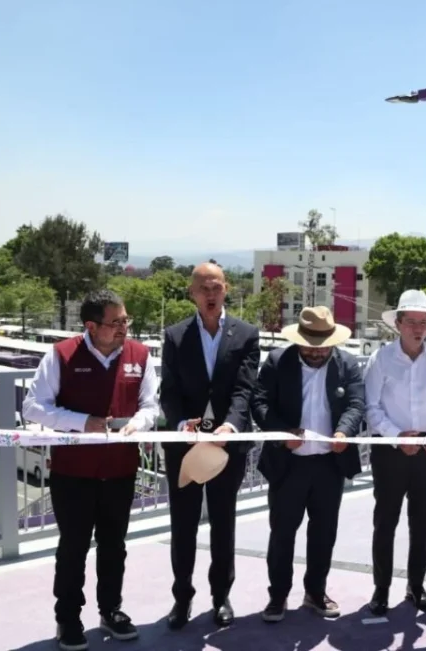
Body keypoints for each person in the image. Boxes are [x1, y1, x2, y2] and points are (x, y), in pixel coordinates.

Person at [22, 290, 159, 651]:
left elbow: (151, 405)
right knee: (73, 547)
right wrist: (82, 422)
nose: (123, 328)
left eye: (126, 321)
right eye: (116, 323)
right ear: (91, 326)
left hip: (120, 469)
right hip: (73, 472)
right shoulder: (61, 355)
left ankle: (111, 610)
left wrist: (140, 423)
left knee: (114, 545)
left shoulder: (140, 356)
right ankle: (67, 618)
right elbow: (34, 407)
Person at [160, 262, 262, 629]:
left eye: (216, 286)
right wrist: (179, 423)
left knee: (223, 522)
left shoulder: (248, 334)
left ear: (227, 289)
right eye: (203, 288)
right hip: (186, 444)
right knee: (182, 525)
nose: (210, 294)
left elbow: (245, 389)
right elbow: (168, 392)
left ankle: (221, 597)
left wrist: (231, 426)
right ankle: (181, 599)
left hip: (226, 443)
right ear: (192, 293)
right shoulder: (174, 336)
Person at [251, 306, 365, 623]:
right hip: (288, 464)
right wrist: (281, 433)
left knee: (324, 533)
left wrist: (345, 430)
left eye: (323, 346)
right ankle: (278, 596)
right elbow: (259, 403)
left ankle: (315, 592)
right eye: (310, 346)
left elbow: (356, 403)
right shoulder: (277, 362)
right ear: (299, 341)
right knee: (283, 532)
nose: (317, 352)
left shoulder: (348, 364)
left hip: (330, 464)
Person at [363, 290, 426, 615]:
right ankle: (381, 589)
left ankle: (416, 586)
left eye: (423, 322)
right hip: (390, 450)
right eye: (412, 322)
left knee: (422, 521)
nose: (418, 328)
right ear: (398, 324)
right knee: (385, 521)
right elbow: (371, 408)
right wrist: (395, 436)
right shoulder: (381, 358)